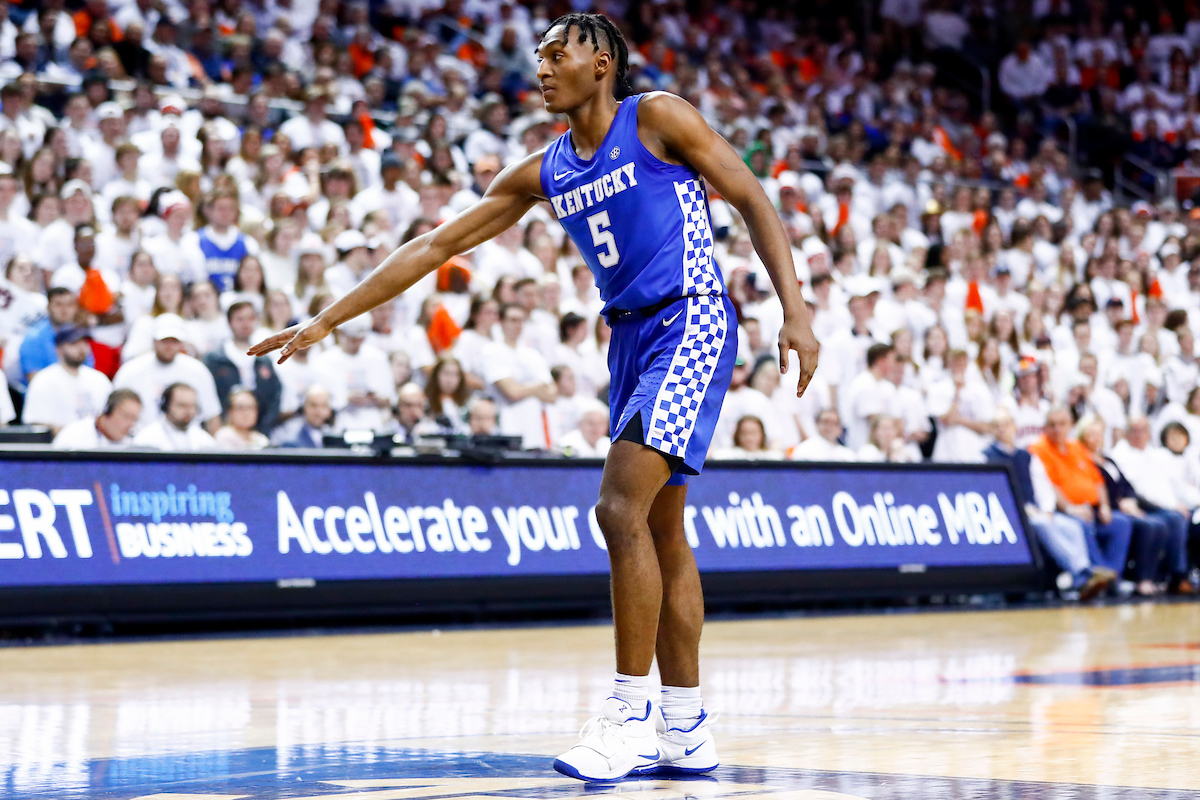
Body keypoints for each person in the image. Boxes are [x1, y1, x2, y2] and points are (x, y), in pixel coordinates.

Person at [249, 12, 818, 782]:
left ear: (604, 62)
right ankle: (686, 725)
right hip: (630, 341)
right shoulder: (545, 170)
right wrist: (324, 319)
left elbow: (749, 195)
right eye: (539, 54)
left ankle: (628, 715)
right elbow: (435, 245)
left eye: (560, 53)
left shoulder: (656, 117)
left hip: (692, 319)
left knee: (618, 509)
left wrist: (797, 310)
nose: (543, 66)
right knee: (662, 528)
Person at [984, 409, 1115, 600]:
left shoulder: (1026, 456)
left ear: (1015, 427)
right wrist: (1023, 510)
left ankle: (1080, 581)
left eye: (1006, 425)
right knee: (1042, 524)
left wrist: (1046, 509)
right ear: (991, 430)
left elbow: (1042, 485)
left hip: (1036, 512)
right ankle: (1082, 572)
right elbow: (991, 491)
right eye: (997, 426)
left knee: (1072, 526)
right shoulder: (986, 456)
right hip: (1011, 514)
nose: (1003, 430)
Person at [1028, 408, 1134, 593]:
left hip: (1092, 508)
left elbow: (1097, 481)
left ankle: (1113, 576)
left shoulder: (1076, 447)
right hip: (1066, 510)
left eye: (1062, 424)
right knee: (1081, 523)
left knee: (1121, 523)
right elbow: (1050, 486)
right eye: (1052, 425)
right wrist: (1070, 508)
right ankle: (1098, 575)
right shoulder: (1039, 449)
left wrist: (1105, 506)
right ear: (1044, 428)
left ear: (1070, 426)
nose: (1058, 429)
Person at [113, 313, 222, 431]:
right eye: (164, 341)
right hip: (140, 439)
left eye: (174, 341)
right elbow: (114, 412)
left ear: (182, 343)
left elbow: (212, 416)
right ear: (154, 340)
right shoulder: (131, 370)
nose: (169, 346)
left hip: (187, 441)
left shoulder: (198, 371)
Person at [203, 301, 281, 434]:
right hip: (224, 429)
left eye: (250, 319)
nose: (245, 324)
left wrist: (264, 427)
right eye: (240, 319)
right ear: (229, 322)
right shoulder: (215, 358)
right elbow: (207, 395)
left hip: (260, 431)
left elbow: (275, 396)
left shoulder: (264, 360)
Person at [22, 325, 112, 434]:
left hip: (99, 447)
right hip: (60, 447)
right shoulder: (44, 380)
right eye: (73, 344)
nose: (81, 348)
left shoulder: (99, 379)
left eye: (84, 343)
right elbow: (38, 425)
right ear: (58, 349)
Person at [132, 382, 218, 451]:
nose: (188, 411)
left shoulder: (205, 441)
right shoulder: (147, 438)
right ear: (166, 406)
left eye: (192, 406)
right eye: (182, 405)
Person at [52, 388, 142, 449]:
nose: (131, 424)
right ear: (108, 412)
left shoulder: (134, 442)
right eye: (126, 417)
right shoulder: (74, 436)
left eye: (134, 419)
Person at [789, 408, 856, 461]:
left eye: (834, 423)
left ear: (840, 429)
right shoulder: (804, 449)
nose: (829, 427)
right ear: (817, 424)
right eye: (825, 422)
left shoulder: (847, 455)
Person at [279, 384, 333, 449]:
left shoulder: (335, 439)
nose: (319, 412)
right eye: (313, 405)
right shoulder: (291, 440)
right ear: (304, 408)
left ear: (329, 410)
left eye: (324, 406)